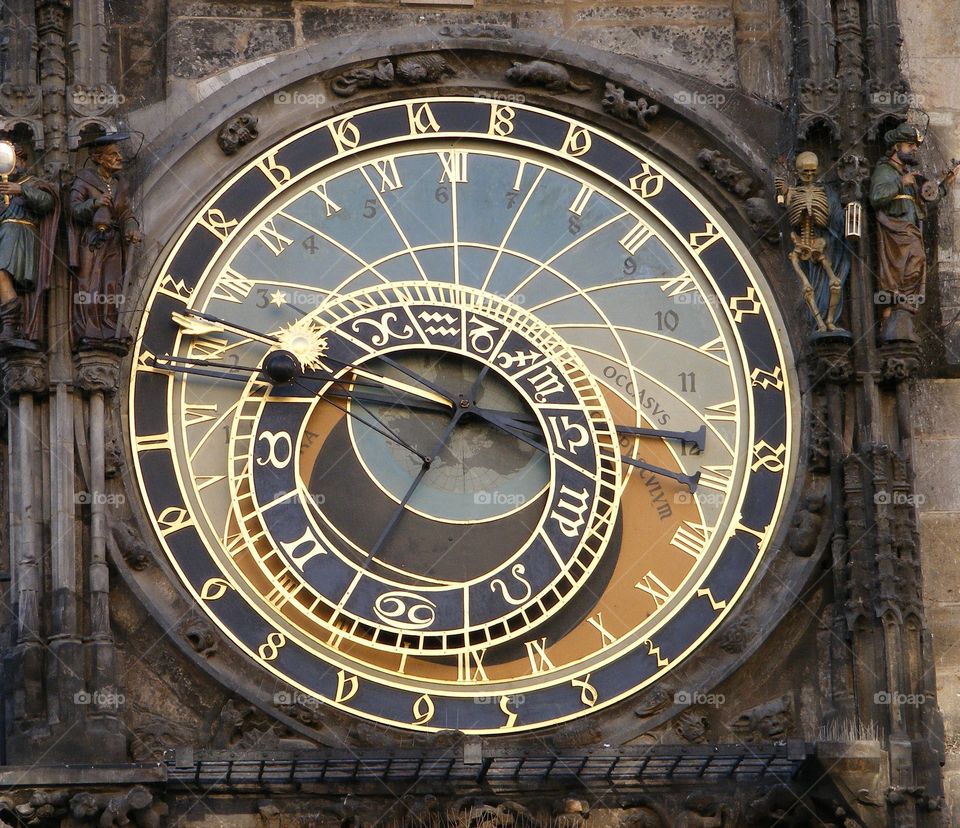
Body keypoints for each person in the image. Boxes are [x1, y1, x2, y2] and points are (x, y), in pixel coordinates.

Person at [870, 123, 956, 322]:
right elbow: (876, 197)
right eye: (910, 145)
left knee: (916, 263)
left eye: (915, 146)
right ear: (897, 147)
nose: (914, 149)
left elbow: (925, 198)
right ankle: (890, 312)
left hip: (910, 230)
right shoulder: (885, 170)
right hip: (894, 231)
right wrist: (901, 182)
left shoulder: (905, 174)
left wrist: (944, 185)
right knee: (903, 267)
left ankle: (903, 306)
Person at [68, 134, 142, 345]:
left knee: (111, 283)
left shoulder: (120, 184)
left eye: (119, 154)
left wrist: (132, 228)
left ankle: (109, 325)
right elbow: (73, 210)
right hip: (92, 241)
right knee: (89, 283)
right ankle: (89, 328)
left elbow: (126, 214)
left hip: (113, 241)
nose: (120, 158)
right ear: (99, 158)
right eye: (113, 154)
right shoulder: (84, 180)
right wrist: (94, 203)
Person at [0, 141, 59, 345]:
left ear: (23, 162)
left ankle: (11, 324)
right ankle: (8, 325)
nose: (10, 167)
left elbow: (47, 202)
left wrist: (21, 190)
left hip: (20, 235)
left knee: (0, 274)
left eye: (12, 161)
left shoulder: (32, 182)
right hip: (4, 235)